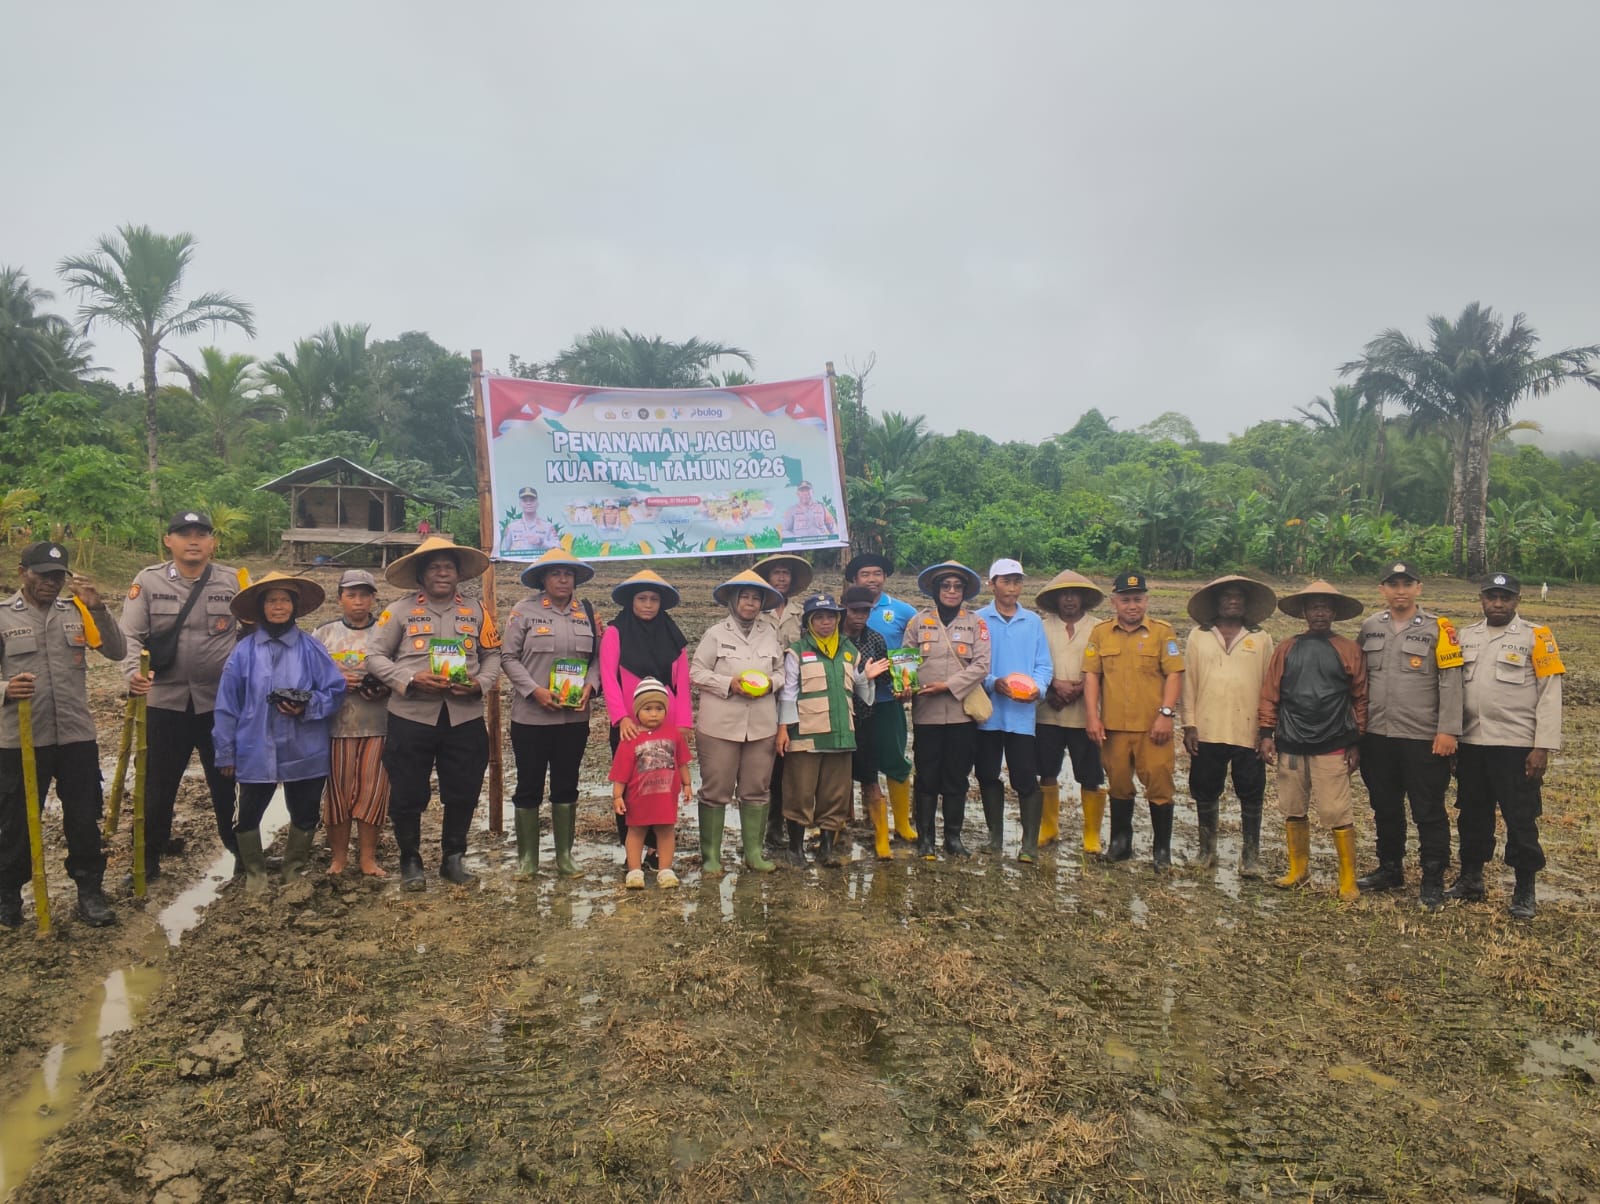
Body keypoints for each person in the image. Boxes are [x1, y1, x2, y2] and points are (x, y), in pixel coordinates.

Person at [365, 536, 501, 891]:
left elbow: (492, 656)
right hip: (411, 716)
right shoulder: (398, 611)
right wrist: (410, 678)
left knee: (464, 789)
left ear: (458, 574)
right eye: (435, 567)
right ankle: (410, 859)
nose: (443, 573)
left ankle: (453, 857)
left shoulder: (476, 611)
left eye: (449, 567)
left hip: (464, 717)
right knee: (407, 792)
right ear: (421, 576)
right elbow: (375, 657)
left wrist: (479, 685)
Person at [0, 541, 125, 928]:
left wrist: (99, 607)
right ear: (23, 572)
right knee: (15, 823)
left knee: (84, 819)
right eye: (42, 575)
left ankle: (89, 892)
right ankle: (7, 897)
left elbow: (117, 652)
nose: (51, 583)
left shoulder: (78, 612)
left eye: (58, 576)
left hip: (76, 736)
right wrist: (4, 688)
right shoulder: (3, 616)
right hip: (18, 740)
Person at [121, 510, 249, 882]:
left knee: (228, 783)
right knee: (156, 787)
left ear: (213, 542)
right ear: (168, 540)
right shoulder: (147, 582)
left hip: (219, 705)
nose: (193, 540)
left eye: (201, 533)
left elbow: (251, 634)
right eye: (184, 533)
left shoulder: (234, 581)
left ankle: (241, 853)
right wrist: (131, 672)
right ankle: (147, 861)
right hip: (163, 703)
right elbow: (130, 635)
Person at [212, 574, 346, 893]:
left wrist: (307, 704)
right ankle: (255, 875)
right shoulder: (243, 652)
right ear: (261, 608)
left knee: (304, 812)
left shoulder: (311, 648)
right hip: (255, 746)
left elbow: (335, 690)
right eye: (271, 601)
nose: (279, 607)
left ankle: (292, 872)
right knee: (248, 815)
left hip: (305, 747)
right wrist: (226, 752)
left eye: (285, 600)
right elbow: (227, 705)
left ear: (295, 607)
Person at [1449, 573, 1563, 920]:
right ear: (1481, 599)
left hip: (1516, 747)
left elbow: (1549, 693)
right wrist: (1452, 736)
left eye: (1505, 597)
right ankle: (1471, 879)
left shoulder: (1536, 637)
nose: (1498, 603)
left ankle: (1524, 889)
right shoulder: (1465, 637)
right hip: (1472, 744)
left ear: (1517, 600)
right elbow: (1453, 691)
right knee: (1471, 813)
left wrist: (1542, 746)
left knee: (1521, 819)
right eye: (1491, 596)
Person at [1352, 562, 1464, 910]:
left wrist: (1447, 730)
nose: (1399, 591)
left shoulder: (1439, 629)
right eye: (1392, 584)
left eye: (1406, 584)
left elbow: (1452, 681)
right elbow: (1358, 679)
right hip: (1377, 735)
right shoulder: (1370, 627)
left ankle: (1432, 879)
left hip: (1422, 737)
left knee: (1428, 810)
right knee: (1384, 806)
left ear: (1419, 588)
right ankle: (1390, 868)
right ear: (1382, 589)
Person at [1257, 581, 1367, 900]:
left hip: (1333, 742)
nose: (1320, 612)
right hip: (1290, 741)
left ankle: (1347, 879)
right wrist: (1267, 734)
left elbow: (1360, 699)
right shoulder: (1286, 648)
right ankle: (1298, 869)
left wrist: (1356, 741)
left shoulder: (1349, 650)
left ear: (1334, 612)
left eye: (1325, 607)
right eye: (1314, 607)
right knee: (1293, 807)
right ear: (1304, 612)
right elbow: (1270, 694)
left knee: (1337, 811)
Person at [503, 548, 599, 879]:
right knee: (528, 784)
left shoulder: (587, 612)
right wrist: (534, 691)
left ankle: (565, 856)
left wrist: (591, 686)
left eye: (568, 574)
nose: (563, 579)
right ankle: (527, 859)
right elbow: (508, 657)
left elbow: (598, 660)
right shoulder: (524, 611)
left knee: (566, 784)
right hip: (531, 717)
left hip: (574, 719)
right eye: (556, 573)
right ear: (543, 579)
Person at [1082, 570, 1184, 869]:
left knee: (1160, 786)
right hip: (1113, 728)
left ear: (1146, 601)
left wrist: (1166, 714)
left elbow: (1175, 674)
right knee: (1119, 785)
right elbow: (1091, 677)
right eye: (1125, 600)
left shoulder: (1162, 632)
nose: (1132, 606)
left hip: (1153, 729)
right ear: (1114, 602)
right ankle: (1120, 844)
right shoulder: (1101, 633)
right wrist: (1092, 717)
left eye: (1137, 599)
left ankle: (1161, 851)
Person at [775, 594, 886, 867]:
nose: (826, 623)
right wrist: (783, 730)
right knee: (800, 792)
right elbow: (788, 694)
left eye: (830, 617)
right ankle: (795, 849)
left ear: (838, 619)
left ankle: (826, 849)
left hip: (841, 734)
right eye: (819, 618)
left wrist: (866, 678)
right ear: (809, 622)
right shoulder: (797, 652)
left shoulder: (850, 651)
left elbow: (856, 689)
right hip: (806, 735)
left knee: (834, 794)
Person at [691, 570, 786, 875]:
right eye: (744, 597)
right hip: (719, 724)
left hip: (761, 724)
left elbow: (783, 673)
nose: (750, 602)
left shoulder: (770, 634)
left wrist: (769, 684)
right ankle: (710, 857)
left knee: (757, 788)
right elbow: (696, 672)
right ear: (732, 601)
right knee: (716, 789)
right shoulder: (716, 634)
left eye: (756, 597)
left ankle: (754, 854)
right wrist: (728, 683)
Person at [1181, 575, 1277, 873]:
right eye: (1227, 596)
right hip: (1207, 729)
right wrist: (1189, 725)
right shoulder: (1199, 635)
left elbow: (1269, 687)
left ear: (1246, 603)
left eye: (1238, 597)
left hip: (1246, 731)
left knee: (1251, 792)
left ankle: (1250, 856)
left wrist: (1266, 732)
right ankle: (1206, 851)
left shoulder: (1260, 638)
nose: (1233, 601)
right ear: (1216, 602)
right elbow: (1189, 682)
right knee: (1205, 790)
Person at [907, 561, 991, 859]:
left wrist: (948, 686)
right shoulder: (918, 622)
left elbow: (982, 666)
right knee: (927, 775)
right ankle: (925, 839)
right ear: (935, 590)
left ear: (965, 591)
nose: (952, 591)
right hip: (926, 714)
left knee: (957, 776)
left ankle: (953, 838)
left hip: (961, 715)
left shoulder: (977, 624)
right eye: (946, 586)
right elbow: (906, 662)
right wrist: (904, 683)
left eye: (958, 586)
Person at [311, 569, 392, 877]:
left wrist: (382, 684)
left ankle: (368, 858)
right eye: (351, 595)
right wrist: (334, 680)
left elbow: (398, 670)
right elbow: (309, 677)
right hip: (336, 728)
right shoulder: (324, 634)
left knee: (372, 793)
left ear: (373, 598)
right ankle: (339, 858)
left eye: (365, 595)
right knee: (338, 794)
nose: (358, 602)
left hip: (379, 724)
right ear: (340, 599)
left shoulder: (386, 632)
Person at [974, 559, 1053, 862]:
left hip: (1022, 716)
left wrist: (1039, 689)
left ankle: (1029, 844)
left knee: (1024, 777)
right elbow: (973, 666)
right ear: (991, 584)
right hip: (988, 713)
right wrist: (994, 683)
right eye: (1005, 581)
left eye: (1017, 581)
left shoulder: (1032, 622)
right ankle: (995, 839)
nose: (1012, 587)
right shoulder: (979, 620)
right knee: (987, 773)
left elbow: (1043, 665)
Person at [845, 552, 920, 845]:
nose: (872, 579)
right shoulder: (843, 611)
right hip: (851, 702)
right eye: (865, 574)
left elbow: (910, 645)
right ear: (854, 579)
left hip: (888, 699)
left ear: (885, 577)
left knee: (894, 758)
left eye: (877, 573)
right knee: (855, 763)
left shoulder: (901, 611)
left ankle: (902, 823)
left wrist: (906, 683)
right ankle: (853, 820)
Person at [1033, 570, 1107, 856]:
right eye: (1063, 594)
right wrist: (1053, 687)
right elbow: (1033, 661)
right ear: (1055, 599)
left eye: (1074, 594)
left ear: (1084, 598)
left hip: (1084, 714)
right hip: (1048, 711)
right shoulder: (1040, 626)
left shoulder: (1099, 628)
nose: (1069, 599)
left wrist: (1077, 690)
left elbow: (1101, 669)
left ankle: (1091, 834)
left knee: (1090, 774)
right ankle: (1049, 827)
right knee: (1047, 771)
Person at [751, 554, 811, 848]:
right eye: (777, 573)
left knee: (787, 763)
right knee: (762, 765)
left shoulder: (802, 614)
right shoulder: (754, 612)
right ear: (768, 579)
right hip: (759, 695)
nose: (782, 578)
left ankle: (779, 825)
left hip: (792, 695)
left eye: (786, 573)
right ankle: (761, 827)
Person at [610, 678, 692, 889]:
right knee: (636, 831)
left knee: (666, 831)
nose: (654, 713)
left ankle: (665, 869)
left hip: (665, 798)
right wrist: (618, 795)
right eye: (647, 708)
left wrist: (687, 784)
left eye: (658, 708)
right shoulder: (630, 737)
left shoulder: (673, 733)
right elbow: (621, 771)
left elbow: (682, 761)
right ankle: (634, 871)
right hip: (638, 798)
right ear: (637, 710)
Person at [842, 585, 893, 858]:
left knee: (871, 779)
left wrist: (897, 680)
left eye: (865, 610)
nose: (860, 615)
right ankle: (836, 830)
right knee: (838, 779)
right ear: (844, 609)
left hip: (865, 718)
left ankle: (882, 837)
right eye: (854, 610)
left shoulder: (875, 640)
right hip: (836, 718)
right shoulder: (832, 636)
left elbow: (885, 679)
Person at [500, 486, 559, 554]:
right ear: (520, 503)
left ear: (537, 503)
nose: (529, 503)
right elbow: (503, 552)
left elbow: (558, 548)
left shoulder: (547, 526)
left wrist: (541, 542)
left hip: (540, 563)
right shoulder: (512, 527)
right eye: (525, 501)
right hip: (517, 564)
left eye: (532, 500)